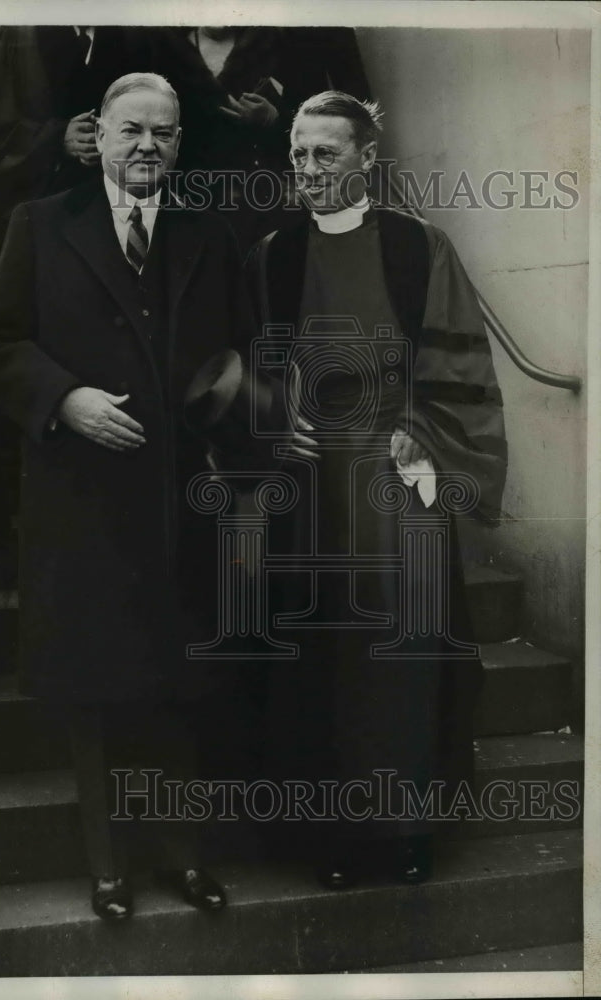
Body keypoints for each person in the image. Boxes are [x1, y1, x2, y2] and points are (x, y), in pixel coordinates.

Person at [0, 73, 258, 921]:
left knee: (177, 687)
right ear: (97, 134)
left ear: (179, 142)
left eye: (164, 134)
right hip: (82, 504)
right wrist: (65, 399)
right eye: (131, 131)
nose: (147, 148)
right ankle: (108, 869)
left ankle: (183, 857)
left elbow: (241, 353)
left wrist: (227, 432)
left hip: (179, 507)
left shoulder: (209, 232)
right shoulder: (41, 224)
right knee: (94, 693)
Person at [245, 91, 507, 887]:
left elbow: (461, 366)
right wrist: (271, 422)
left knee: (399, 663)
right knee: (320, 657)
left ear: (366, 158)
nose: (309, 170)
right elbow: (251, 365)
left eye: (326, 153)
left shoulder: (418, 247)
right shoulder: (272, 254)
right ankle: (333, 839)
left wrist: (423, 437)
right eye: (297, 154)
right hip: (310, 483)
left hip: (398, 479)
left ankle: (405, 832)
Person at [150, 26, 370, 254]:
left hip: (283, 186)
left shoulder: (313, 29)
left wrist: (277, 120)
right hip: (197, 192)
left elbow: (355, 112)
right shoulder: (171, 40)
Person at [0, 26, 153, 242]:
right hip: (40, 208)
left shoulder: (136, 36)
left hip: (115, 213)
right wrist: (57, 138)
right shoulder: (18, 33)